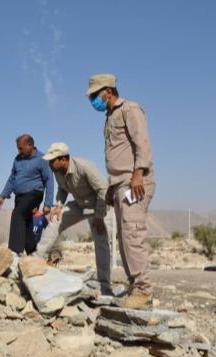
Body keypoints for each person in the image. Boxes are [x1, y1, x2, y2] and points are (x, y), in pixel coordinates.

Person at [87, 73, 156, 309]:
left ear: (108, 91)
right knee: (125, 237)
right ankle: (134, 287)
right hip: (119, 184)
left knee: (132, 235)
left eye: (95, 95)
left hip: (134, 182)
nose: (92, 101)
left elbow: (142, 143)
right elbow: (117, 154)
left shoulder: (130, 109)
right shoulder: (109, 117)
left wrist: (138, 174)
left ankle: (144, 291)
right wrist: (110, 186)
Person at [36, 142, 114, 294]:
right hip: (80, 205)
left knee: (102, 241)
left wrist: (99, 217)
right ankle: (37, 260)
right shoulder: (57, 171)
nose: (50, 164)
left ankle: (105, 285)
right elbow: (62, 190)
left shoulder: (85, 166)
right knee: (55, 220)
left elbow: (103, 190)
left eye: (53, 160)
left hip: (100, 205)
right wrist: (58, 205)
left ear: (64, 159)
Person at [0, 134, 54, 255]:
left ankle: (14, 250)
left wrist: (48, 203)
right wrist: (3, 196)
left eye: (21, 148)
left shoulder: (42, 159)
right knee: (27, 221)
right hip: (20, 196)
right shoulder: (17, 159)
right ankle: (31, 250)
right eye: (18, 148)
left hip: (34, 193)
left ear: (30, 145)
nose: (19, 151)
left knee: (18, 214)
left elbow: (49, 180)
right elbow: (12, 179)